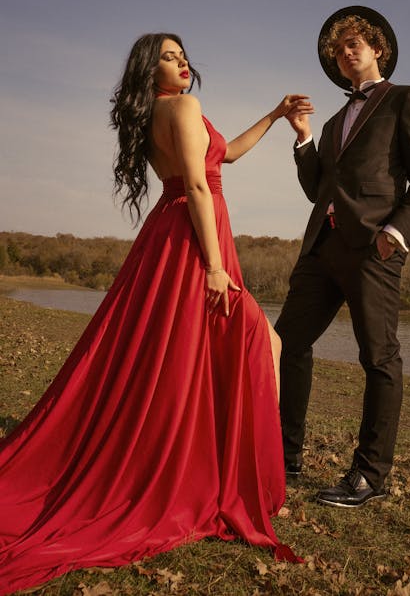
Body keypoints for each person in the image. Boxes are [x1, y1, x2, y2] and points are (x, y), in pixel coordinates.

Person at [0, 33, 311, 594]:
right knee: (263, 343)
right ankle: (254, 487)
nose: (183, 61)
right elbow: (196, 183)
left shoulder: (158, 115)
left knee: (207, 352)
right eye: (169, 56)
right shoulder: (183, 107)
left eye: (183, 54)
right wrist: (215, 266)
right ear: (149, 71)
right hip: (196, 238)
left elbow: (227, 156)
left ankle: (240, 479)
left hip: (177, 232)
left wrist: (273, 114)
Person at [276, 6, 410, 507]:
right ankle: (284, 455)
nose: (346, 54)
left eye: (354, 45)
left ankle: (369, 475)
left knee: (379, 357)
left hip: (374, 247)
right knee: (287, 344)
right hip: (321, 248)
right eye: (339, 50)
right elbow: (317, 189)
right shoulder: (328, 124)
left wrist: (395, 233)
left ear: (376, 49)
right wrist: (303, 136)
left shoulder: (407, 99)